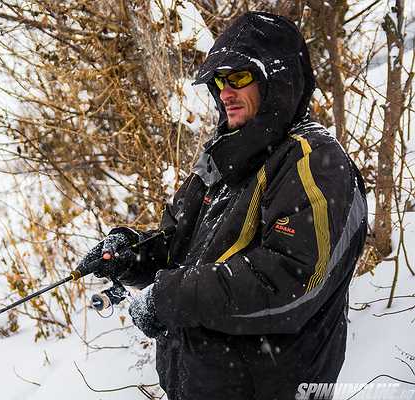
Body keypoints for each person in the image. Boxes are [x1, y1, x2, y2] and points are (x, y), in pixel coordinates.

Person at [79, 11, 367, 400]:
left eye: (239, 78)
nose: (225, 91)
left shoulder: (312, 160)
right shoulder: (227, 156)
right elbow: (178, 243)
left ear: (277, 80)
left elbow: (292, 281)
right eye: (219, 82)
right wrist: (132, 256)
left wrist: (170, 297)